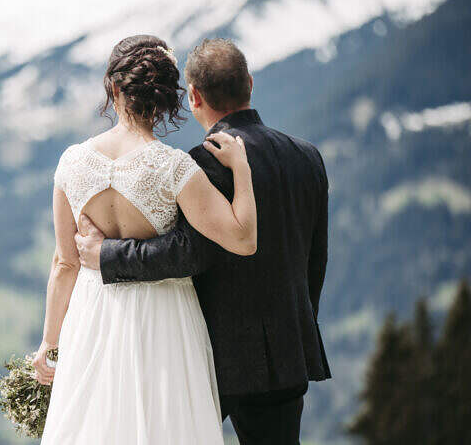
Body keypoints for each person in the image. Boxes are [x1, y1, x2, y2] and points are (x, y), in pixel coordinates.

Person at [74, 38, 331, 445]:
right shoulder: (307, 156)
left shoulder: (204, 160)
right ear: (249, 83)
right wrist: (296, 327)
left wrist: (107, 254)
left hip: (212, 354)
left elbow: (188, 251)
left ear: (193, 96)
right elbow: (316, 258)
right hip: (288, 352)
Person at [34, 34, 257, 444]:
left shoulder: (71, 163)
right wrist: (241, 168)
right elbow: (243, 238)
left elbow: (64, 263)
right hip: (163, 319)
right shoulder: (174, 167)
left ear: (114, 88)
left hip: (93, 315)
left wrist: (49, 342)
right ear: (164, 98)